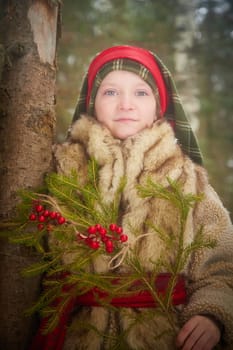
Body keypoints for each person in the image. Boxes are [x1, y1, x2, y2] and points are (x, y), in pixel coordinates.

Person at [32, 45, 233, 350]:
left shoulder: (188, 182)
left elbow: (223, 267)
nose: (125, 104)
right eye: (111, 93)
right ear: (92, 102)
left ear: (158, 107)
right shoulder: (60, 173)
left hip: (165, 338)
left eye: (141, 93)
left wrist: (212, 315)